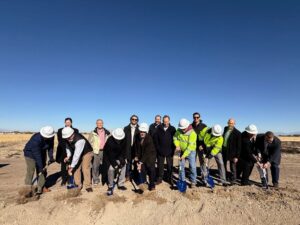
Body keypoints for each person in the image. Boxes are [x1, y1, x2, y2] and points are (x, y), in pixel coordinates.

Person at [23, 126, 55, 194]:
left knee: (43, 171)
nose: (48, 138)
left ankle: (41, 187)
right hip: (30, 153)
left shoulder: (51, 136)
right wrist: (40, 167)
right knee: (31, 170)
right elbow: (37, 155)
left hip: (42, 152)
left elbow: (50, 147)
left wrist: (51, 157)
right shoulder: (36, 139)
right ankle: (27, 189)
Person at [62, 127, 93, 192]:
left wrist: (72, 166)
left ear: (73, 134)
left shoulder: (80, 140)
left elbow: (77, 155)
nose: (67, 139)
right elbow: (68, 148)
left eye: (69, 137)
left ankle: (88, 186)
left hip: (86, 152)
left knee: (85, 168)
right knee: (76, 168)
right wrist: (68, 156)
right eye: (66, 138)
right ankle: (78, 184)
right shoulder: (66, 139)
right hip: (77, 153)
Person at [102, 128, 127, 195]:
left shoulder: (124, 139)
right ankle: (110, 186)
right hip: (109, 158)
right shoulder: (110, 141)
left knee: (124, 166)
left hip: (119, 157)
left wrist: (122, 160)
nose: (118, 140)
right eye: (117, 139)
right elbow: (110, 155)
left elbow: (123, 151)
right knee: (111, 169)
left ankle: (120, 184)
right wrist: (115, 165)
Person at [173, 118, 197, 188]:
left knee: (192, 166)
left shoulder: (192, 133)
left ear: (187, 126)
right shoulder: (179, 130)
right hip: (181, 151)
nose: (182, 130)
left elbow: (190, 147)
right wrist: (177, 145)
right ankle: (182, 180)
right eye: (181, 128)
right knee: (181, 166)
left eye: (184, 128)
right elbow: (175, 138)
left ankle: (193, 181)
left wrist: (184, 155)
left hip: (191, 151)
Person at [153, 115, 176, 185]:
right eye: (164, 121)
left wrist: (173, 149)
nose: (165, 123)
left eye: (167, 121)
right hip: (160, 151)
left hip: (170, 151)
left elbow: (175, 139)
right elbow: (156, 139)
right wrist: (158, 148)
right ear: (162, 121)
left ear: (169, 121)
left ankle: (170, 178)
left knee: (170, 166)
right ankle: (160, 178)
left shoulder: (173, 129)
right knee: (160, 166)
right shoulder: (159, 128)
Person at [56, 118, 79, 186]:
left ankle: (70, 179)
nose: (68, 123)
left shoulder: (75, 130)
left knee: (72, 165)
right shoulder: (60, 130)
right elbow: (60, 141)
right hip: (63, 150)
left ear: (71, 123)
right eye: (66, 122)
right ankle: (64, 179)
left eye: (69, 122)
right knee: (63, 165)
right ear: (64, 123)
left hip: (72, 150)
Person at [134, 123, 157, 191]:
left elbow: (147, 153)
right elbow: (136, 148)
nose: (142, 133)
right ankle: (143, 183)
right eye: (141, 131)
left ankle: (152, 185)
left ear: (146, 132)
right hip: (142, 156)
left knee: (151, 170)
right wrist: (136, 156)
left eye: (143, 132)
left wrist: (140, 162)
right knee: (142, 170)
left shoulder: (149, 139)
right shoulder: (137, 137)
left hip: (150, 156)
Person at [88, 119, 110, 185]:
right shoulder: (93, 132)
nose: (100, 124)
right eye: (98, 123)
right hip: (96, 151)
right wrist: (91, 150)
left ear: (103, 124)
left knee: (106, 165)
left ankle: (106, 179)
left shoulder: (107, 132)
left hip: (105, 151)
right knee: (95, 166)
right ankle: (96, 179)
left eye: (101, 123)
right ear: (96, 124)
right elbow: (89, 142)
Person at [222, 118, 241, 183]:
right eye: (229, 123)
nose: (230, 124)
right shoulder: (225, 128)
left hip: (232, 152)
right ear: (227, 123)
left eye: (232, 123)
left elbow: (239, 146)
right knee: (223, 164)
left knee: (232, 166)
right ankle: (225, 176)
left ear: (234, 124)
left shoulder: (238, 133)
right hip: (224, 150)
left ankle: (233, 179)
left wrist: (237, 156)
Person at [191, 112, 207, 179]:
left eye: (197, 117)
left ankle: (204, 176)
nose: (196, 118)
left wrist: (203, 145)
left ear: (199, 118)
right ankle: (193, 176)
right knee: (192, 162)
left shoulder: (204, 126)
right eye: (194, 117)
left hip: (201, 147)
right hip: (193, 147)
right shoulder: (190, 126)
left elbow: (206, 137)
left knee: (202, 162)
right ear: (193, 118)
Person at [124, 115, 140, 180]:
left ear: (137, 121)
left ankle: (136, 175)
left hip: (136, 148)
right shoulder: (126, 128)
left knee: (136, 162)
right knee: (128, 162)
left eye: (135, 119)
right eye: (133, 119)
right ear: (130, 120)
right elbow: (123, 139)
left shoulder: (139, 128)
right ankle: (127, 175)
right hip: (128, 147)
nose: (134, 120)